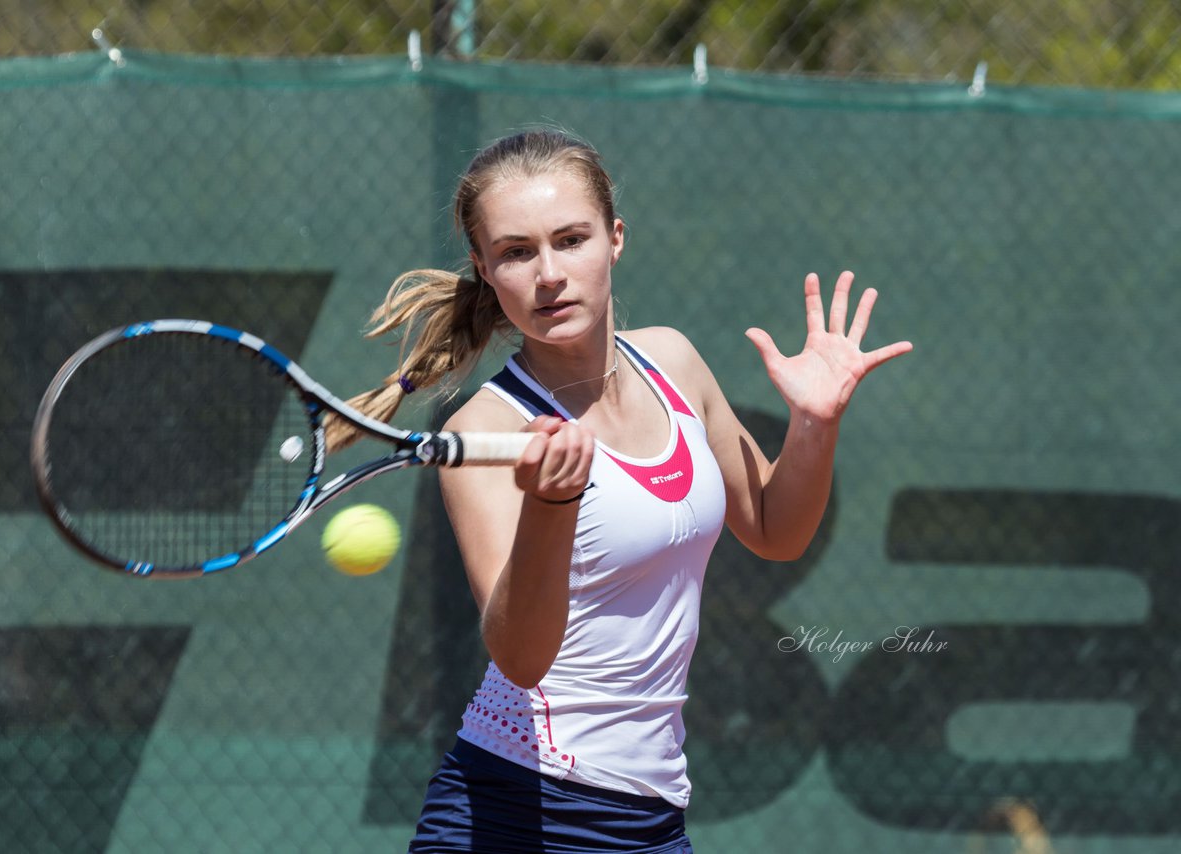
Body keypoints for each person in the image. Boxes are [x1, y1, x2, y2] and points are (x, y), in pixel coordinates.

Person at [334, 128, 912, 853]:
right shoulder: (486, 428)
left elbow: (774, 527)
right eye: (516, 252)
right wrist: (552, 506)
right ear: (484, 269)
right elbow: (520, 657)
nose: (548, 273)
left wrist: (814, 423)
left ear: (614, 239)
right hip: (514, 811)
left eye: (570, 239)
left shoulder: (674, 361)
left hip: (651, 817)